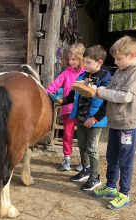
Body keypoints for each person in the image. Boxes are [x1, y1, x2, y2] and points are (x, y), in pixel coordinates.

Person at [92, 35, 136, 210]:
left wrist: (100, 92)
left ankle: (124, 193)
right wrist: (94, 89)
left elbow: (125, 96)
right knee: (112, 156)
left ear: (132, 55)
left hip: (128, 125)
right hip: (116, 123)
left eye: (119, 59)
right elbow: (110, 89)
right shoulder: (120, 71)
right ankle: (111, 186)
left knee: (125, 160)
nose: (116, 62)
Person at [57, 45, 111, 191]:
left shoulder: (105, 78)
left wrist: (95, 118)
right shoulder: (82, 76)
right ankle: (85, 169)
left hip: (94, 121)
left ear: (99, 63)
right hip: (80, 118)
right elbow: (73, 95)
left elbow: (107, 103)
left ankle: (95, 177)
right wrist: (62, 101)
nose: (84, 65)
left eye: (88, 63)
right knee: (82, 146)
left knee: (92, 148)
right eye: (84, 62)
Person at [46, 43, 86, 171]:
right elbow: (55, 84)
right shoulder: (66, 73)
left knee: (82, 137)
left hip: (83, 110)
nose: (70, 61)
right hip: (68, 110)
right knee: (67, 135)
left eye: (73, 59)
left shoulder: (87, 73)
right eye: (69, 59)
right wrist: (49, 91)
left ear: (80, 58)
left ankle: (83, 161)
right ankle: (67, 158)